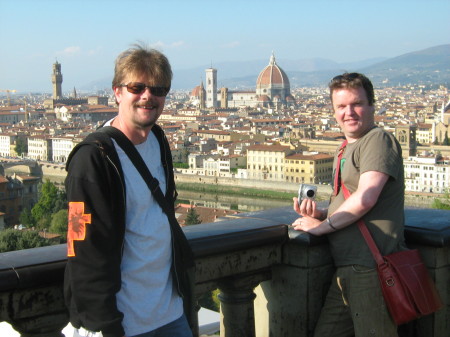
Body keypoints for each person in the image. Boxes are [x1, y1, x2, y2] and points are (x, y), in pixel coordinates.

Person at [65, 44, 194, 337]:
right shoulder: (93, 159)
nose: (148, 95)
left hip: (171, 313)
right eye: (137, 87)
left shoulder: (159, 140)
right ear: (118, 92)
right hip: (123, 324)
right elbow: (82, 247)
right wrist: (105, 325)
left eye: (158, 89)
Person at [292, 72, 406, 336]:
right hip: (347, 267)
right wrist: (322, 213)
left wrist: (320, 228)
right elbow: (350, 198)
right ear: (333, 112)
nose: (349, 112)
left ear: (371, 106)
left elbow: (366, 198)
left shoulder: (378, 140)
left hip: (370, 267)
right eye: (341, 106)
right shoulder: (344, 148)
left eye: (356, 104)